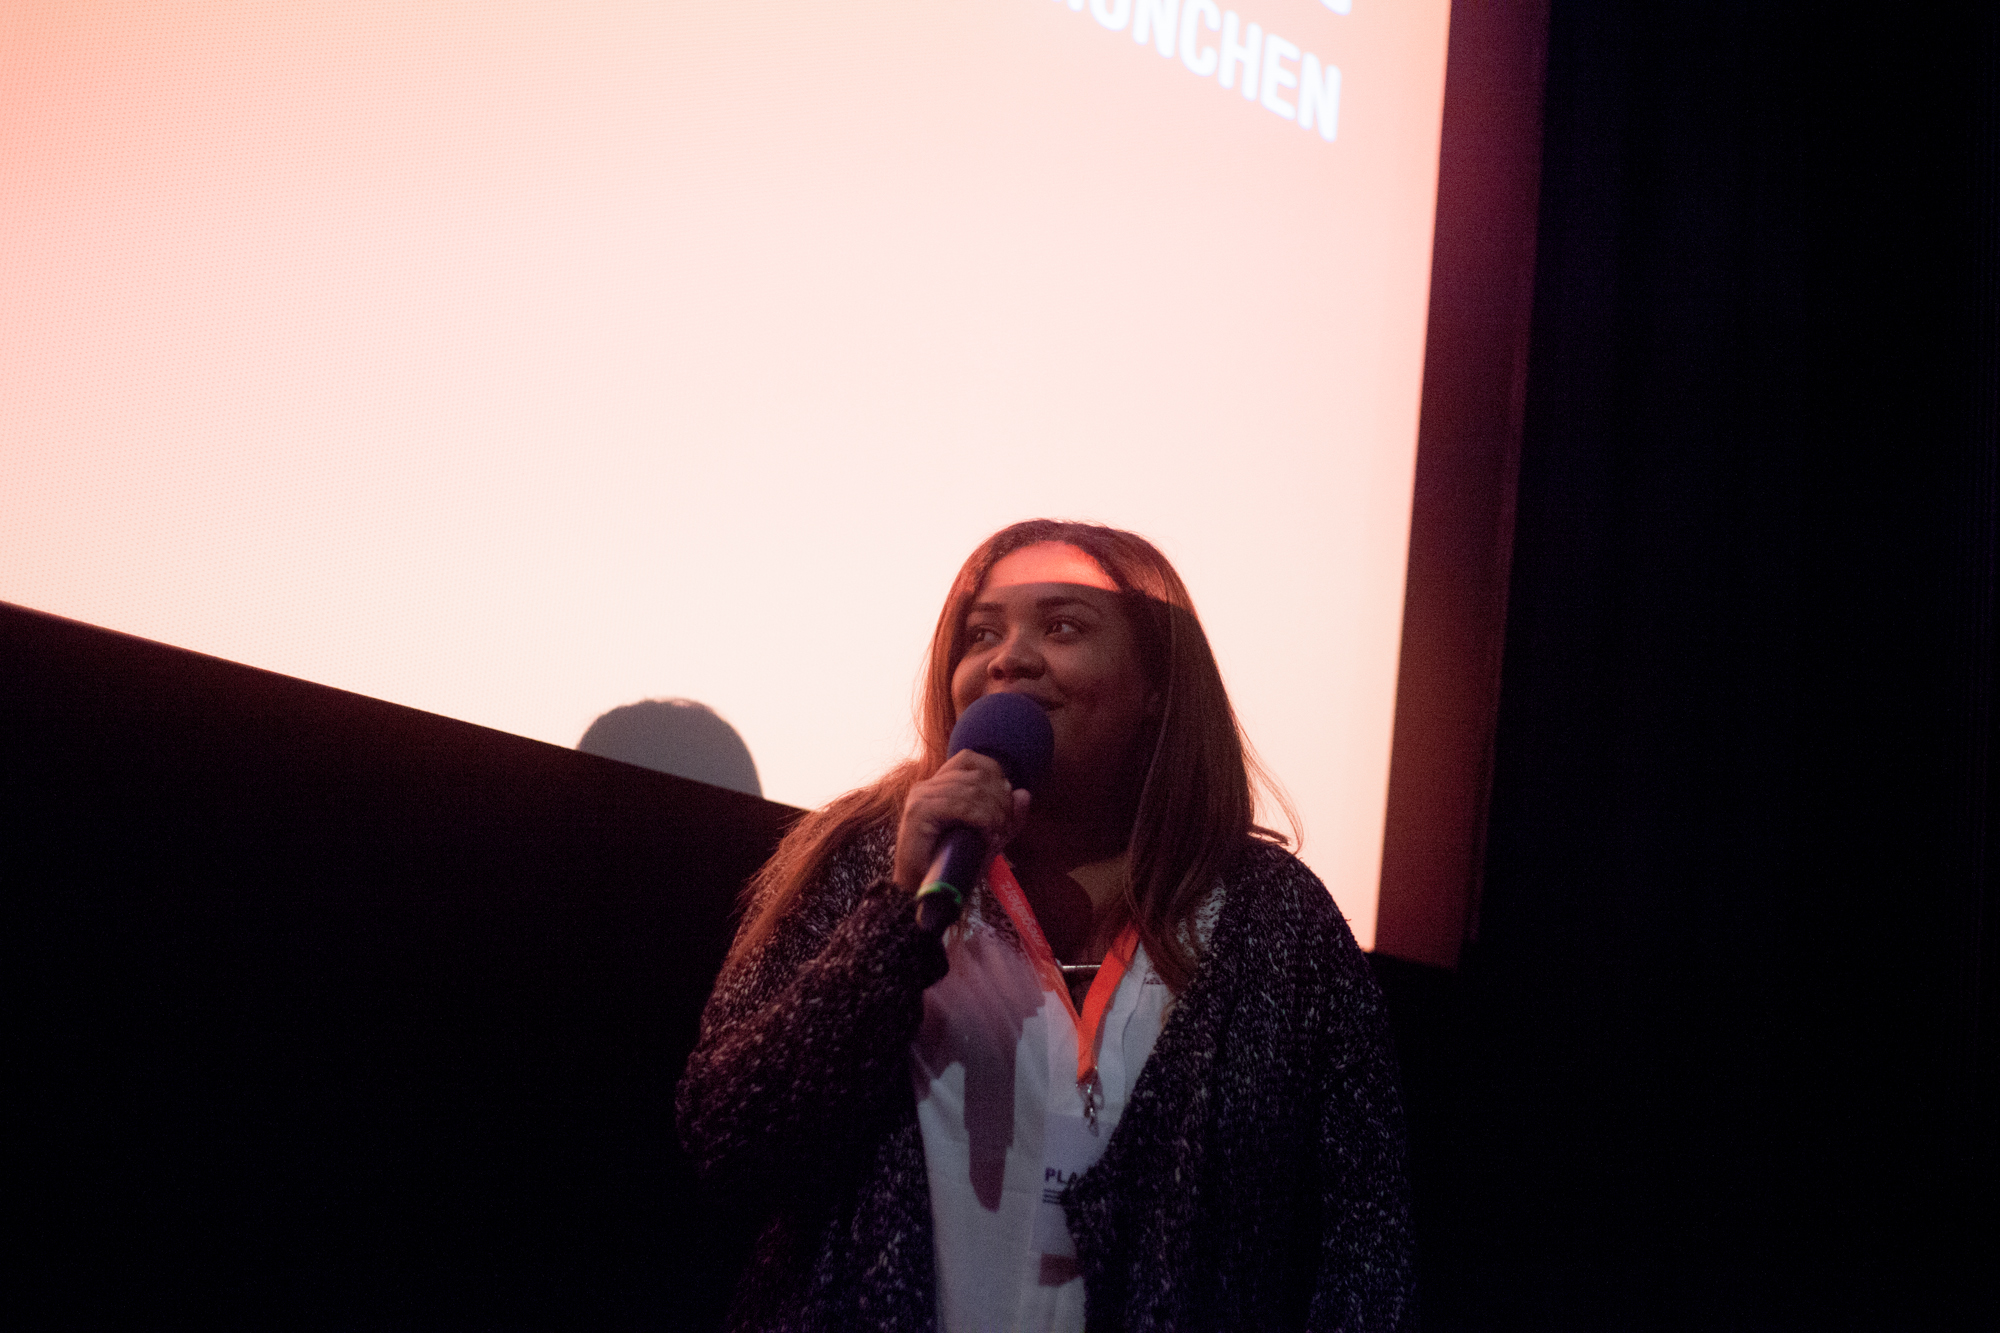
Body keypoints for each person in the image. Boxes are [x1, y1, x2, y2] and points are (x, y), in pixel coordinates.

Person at [676, 520, 1414, 1331]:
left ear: (1158, 684)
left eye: (1062, 626)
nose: (1009, 658)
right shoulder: (863, 858)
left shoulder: (1277, 919)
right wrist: (896, 918)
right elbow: (728, 1140)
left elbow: (1366, 1239)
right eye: (982, 633)